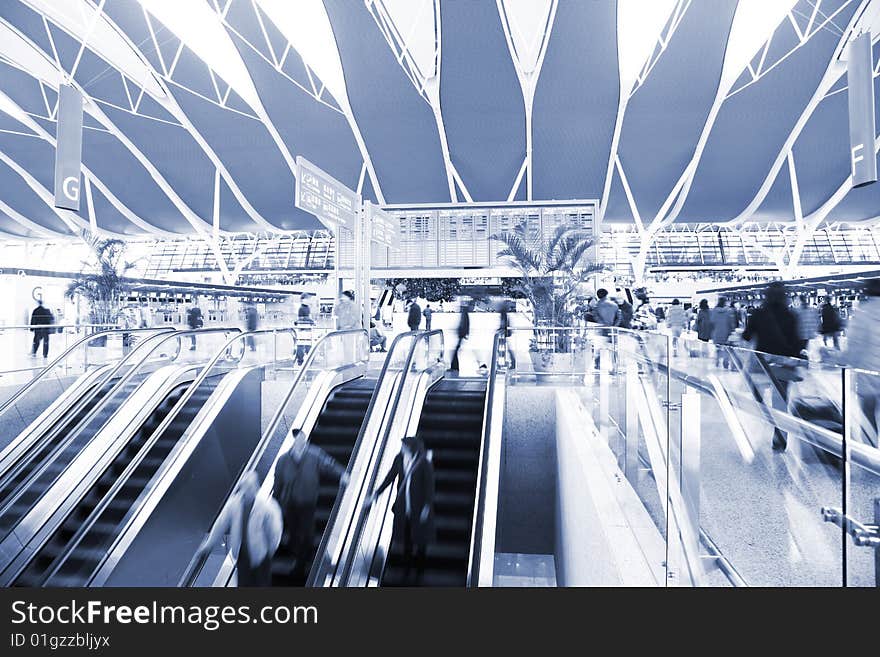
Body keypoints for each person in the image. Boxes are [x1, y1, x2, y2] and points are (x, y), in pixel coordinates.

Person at [272, 431, 349, 579]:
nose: (301, 441)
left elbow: (329, 464)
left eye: (303, 438)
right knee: (294, 532)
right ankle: (300, 553)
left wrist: (342, 474)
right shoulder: (283, 460)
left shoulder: (314, 454)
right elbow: (277, 483)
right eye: (298, 439)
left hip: (308, 502)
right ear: (293, 441)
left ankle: (300, 563)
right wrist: (275, 503)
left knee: (306, 532)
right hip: (289, 503)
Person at [741, 281, 802, 451]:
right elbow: (797, 343)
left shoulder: (758, 314)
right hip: (783, 365)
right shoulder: (791, 316)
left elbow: (746, 336)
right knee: (781, 402)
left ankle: (762, 418)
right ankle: (780, 439)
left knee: (756, 392)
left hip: (762, 364)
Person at [195, 472, 282, 587]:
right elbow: (221, 524)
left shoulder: (266, 505)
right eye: (245, 487)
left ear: (256, 487)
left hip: (261, 556)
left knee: (262, 585)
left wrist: (269, 551)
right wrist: (209, 544)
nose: (247, 490)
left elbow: (275, 531)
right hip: (241, 555)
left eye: (250, 487)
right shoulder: (234, 503)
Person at [368, 435, 435, 572]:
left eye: (404, 447)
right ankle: (407, 563)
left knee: (420, 536)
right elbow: (390, 477)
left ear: (411, 448)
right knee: (407, 534)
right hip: (404, 505)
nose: (402, 449)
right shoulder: (399, 459)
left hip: (419, 505)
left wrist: (427, 507)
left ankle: (420, 564)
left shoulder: (424, 463)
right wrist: (377, 493)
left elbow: (429, 487)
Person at [829, 278, 880, 446]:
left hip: (869, 377)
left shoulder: (862, 314)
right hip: (871, 374)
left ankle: (872, 451)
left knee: (869, 415)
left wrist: (838, 359)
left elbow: (854, 348)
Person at [710, 297, 736, 369]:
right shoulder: (728, 311)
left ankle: (717, 361)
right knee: (726, 349)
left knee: (718, 348)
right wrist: (732, 330)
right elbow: (731, 323)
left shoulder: (714, 311)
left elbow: (712, 321)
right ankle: (725, 362)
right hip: (726, 332)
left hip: (717, 332)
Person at [449, 301, 470, 372]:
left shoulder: (464, 314)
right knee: (456, 350)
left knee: (456, 350)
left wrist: (464, 333)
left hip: (461, 334)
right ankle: (454, 366)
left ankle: (454, 366)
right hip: (461, 334)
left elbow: (465, 324)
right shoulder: (464, 314)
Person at [295, 299, 315, 365]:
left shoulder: (305, 308)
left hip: (303, 329)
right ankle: (307, 359)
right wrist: (312, 321)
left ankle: (301, 360)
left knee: (302, 344)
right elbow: (303, 318)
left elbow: (301, 318)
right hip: (305, 330)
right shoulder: (302, 308)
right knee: (305, 344)